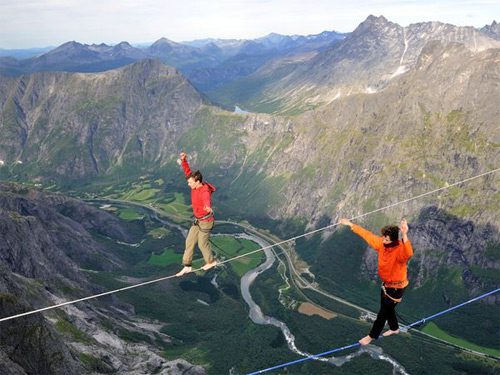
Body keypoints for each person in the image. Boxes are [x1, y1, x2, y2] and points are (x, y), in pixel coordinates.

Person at [339, 218, 413, 346]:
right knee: (388, 310)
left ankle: (372, 336)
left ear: (393, 240)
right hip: (386, 285)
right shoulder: (382, 244)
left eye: (386, 239)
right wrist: (350, 224)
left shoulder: (400, 251)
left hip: (396, 288)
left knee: (383, 313)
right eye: (383, 238)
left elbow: (409, 253)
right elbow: (367, 235)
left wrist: (405, 234)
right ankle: (394, 328)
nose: (383, 241)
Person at [176, 152, 217, 276]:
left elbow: (206, 199)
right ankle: (187, 266)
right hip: (198, 220)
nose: (189, 184)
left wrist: (207, 207)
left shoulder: (204, 190)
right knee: (189, 241)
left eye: (190, 182)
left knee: (202, 243)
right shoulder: (194, 184)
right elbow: (187, 172)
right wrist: (183, 160)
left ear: (197, 181)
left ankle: (211, 261)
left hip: (206, 221)